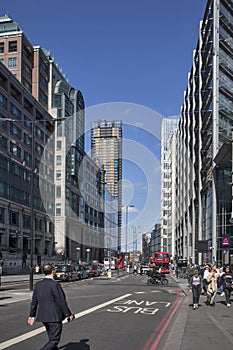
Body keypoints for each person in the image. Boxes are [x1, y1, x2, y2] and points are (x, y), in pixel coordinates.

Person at [28, 263, 75, 350]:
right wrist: (69, 314)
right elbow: (61, 301)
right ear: (53, 271)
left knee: (51, 339)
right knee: (54, 340)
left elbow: (34, 301)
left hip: (43, 316)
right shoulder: (55, 284)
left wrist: (32, 315)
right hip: (54, 316)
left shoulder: (38, 285)